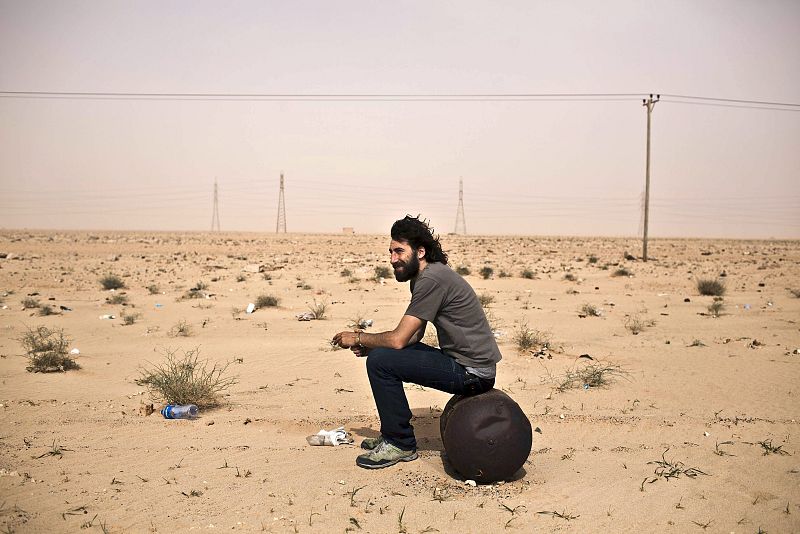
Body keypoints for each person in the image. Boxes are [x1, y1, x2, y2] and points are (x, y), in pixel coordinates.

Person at [332, 215, 501, 469]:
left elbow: (400, 339)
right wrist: (372, 346)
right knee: (381, 357)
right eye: (390, 252)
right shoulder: (425, 277)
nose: (392, 259)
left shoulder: (432, 279)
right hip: (466, 365)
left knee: (381, 363)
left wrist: (357, 337)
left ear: (420, 252)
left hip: (473, 373)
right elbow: (414, 336)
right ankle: (393, 433)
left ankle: (399, 443)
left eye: (399, 251)